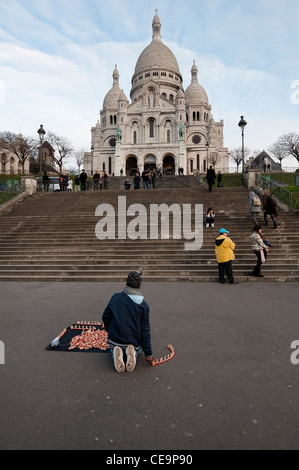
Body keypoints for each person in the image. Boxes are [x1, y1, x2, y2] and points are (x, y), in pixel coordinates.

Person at [102, 271, 153, 373]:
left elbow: (105, 317)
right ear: (139, 286)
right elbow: (145, 331)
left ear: (126, 284)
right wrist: (148, 354)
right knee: (138, 349)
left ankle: (116, 353)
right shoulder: (143, 306)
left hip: (114, 339)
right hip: (133, 341)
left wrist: (110, 330)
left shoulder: (115, 298)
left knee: (112, 347)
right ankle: (133, 353)